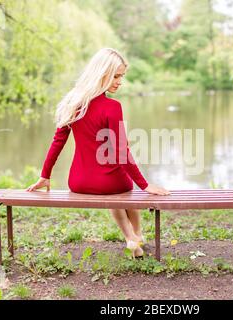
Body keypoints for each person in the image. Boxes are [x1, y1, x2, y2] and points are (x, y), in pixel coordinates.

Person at [26, 48, 170, 258]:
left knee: (114, 184)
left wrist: (45, 176)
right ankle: (136, 234)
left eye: (122, 76)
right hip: (110, 184)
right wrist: (145, 185)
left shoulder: (74, 103)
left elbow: (58, 141)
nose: (120, 81)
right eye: (116, 76)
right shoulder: (112, 106)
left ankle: (130, 237)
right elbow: (121, 151)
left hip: (78, 183)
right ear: (102, 73)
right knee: (121, 184)